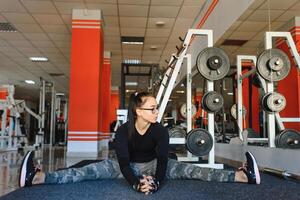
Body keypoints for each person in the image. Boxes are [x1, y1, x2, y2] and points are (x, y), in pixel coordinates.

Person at [19, 91, 261, 195]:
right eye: (152, 108)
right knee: (85, 172)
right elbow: (123, 162)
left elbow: (164, 161)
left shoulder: (160, 131)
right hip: (123, 166)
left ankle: (242, 176)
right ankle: (37, 178)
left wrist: (156, 180)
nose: (157, 111)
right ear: (138, 110)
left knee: (196, 171)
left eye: (157, 107)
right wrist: (135, 184)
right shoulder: (123, 131)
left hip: (154, 164)